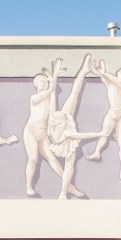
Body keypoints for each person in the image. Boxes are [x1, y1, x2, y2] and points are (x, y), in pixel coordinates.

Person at [46, 55, 107, 199]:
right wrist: (100, 134)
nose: (58, 113)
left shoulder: (54, 118)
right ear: (61, 122)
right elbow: (83, 136)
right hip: (65, 143)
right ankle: (63, 192)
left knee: (74, 94)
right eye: (59, 116)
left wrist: (55, 76)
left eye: (57, 115)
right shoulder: (66, 132)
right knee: (69, 165)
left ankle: (84, 70)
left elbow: (52, 97)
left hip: (62, 130)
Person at [23, 62, 85, 198]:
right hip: (31, 131)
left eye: (45, 81)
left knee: (52, 159)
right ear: (36, 84)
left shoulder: (49, 95)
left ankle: (69, 187)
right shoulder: (34, 98)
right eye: (40, 81)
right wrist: (52, 84)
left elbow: (52, 111)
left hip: (43, 133)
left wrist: (53, 83)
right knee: (33, 159)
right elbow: (42, 96)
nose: (43, 83)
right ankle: (29, 186)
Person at [84, 60, 121, 181]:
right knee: (104, 133)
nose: (120, 72)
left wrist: (104, 72)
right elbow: (102, 76)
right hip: (112, 112)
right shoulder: (111, 83)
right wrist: (94, 69)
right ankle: (97, 152)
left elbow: (108, 76)